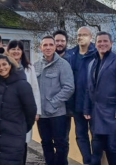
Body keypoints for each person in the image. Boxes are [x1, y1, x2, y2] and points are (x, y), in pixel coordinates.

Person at [84, 32, 116, 165]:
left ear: (111, 44)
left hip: (113, 114)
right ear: (95, 44)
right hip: (96, 115)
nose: (102, 44)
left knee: (113, 148)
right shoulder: (91, 64)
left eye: (105, 41)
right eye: (99, 41)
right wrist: (87, 109)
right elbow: (89, 89)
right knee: (96, 148)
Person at [34, 36, 75, 165]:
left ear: (54, 47)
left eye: (50, 45)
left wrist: (53, 103)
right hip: (41, 115)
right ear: (41, 48)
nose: (48, 47)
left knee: (60, 143)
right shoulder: (36, 66)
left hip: (58, 113)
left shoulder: (63, 65)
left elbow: (69, 88)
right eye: (45, 45)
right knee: (46, 143)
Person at [0, 55, 37, 165]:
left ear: (10, 65)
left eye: (4, 64)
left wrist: (22, 128)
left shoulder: (22, 85)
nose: (2, 68)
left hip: (15, 136)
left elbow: (31, 111)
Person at [65, 27, 97, 165]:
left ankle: (95, 161)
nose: (81, 37)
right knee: (81, 136)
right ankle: (87, 161)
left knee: (96, 136)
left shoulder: (98, 54)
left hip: (94, 105)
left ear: (91, 37)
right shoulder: (70, 54)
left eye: (84, 34)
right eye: (79, 35)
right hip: (77, 104)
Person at [6, 40, 42, 162]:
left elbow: (35, 89)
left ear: (22, 52)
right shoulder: (4, 66)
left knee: (23, 142)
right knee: (9, 142)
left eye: (19, 49)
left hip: (24, 110)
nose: (16, 51)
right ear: (8, 51)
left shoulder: (29, 67)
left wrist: (37, 111)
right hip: (9, 111)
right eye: (13, 49)